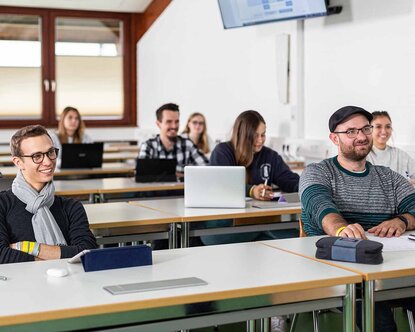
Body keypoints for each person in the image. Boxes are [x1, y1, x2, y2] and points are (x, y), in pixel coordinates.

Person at [299, 105, 415, 332]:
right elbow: (319, 205)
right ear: (334, 138)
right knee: (382, 325)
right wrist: (342, 229)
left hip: (387, 269)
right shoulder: (318, 172)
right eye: (351, 131)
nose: (361, 136)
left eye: (365, 129)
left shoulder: (388, 177)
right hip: (336, 272)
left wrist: (401, 220)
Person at [0, 125, 97, 264]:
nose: (48, 162)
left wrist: (27, 247)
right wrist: (61, 254)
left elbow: (87, 252)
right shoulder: (3, 204)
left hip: (68, 282)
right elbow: (1, 255)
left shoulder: (71, 207)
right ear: (18, 162)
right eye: (37, 156)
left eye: (51, 152)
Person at [139, 103, 209, 177]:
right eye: (169, 122)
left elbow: (206, 168)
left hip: (181, 188)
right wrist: (179, 173)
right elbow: (142, 174)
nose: (174, 126)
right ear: (158, 124)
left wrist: (168, 173)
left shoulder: (187, 144)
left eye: (177, 121)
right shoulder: (148, 146)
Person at [367, 110, 415, 180]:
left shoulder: (400, 155)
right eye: (378, 127)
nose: (384, 131)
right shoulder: (363, 156)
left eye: (388, 126)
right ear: (369, 129)